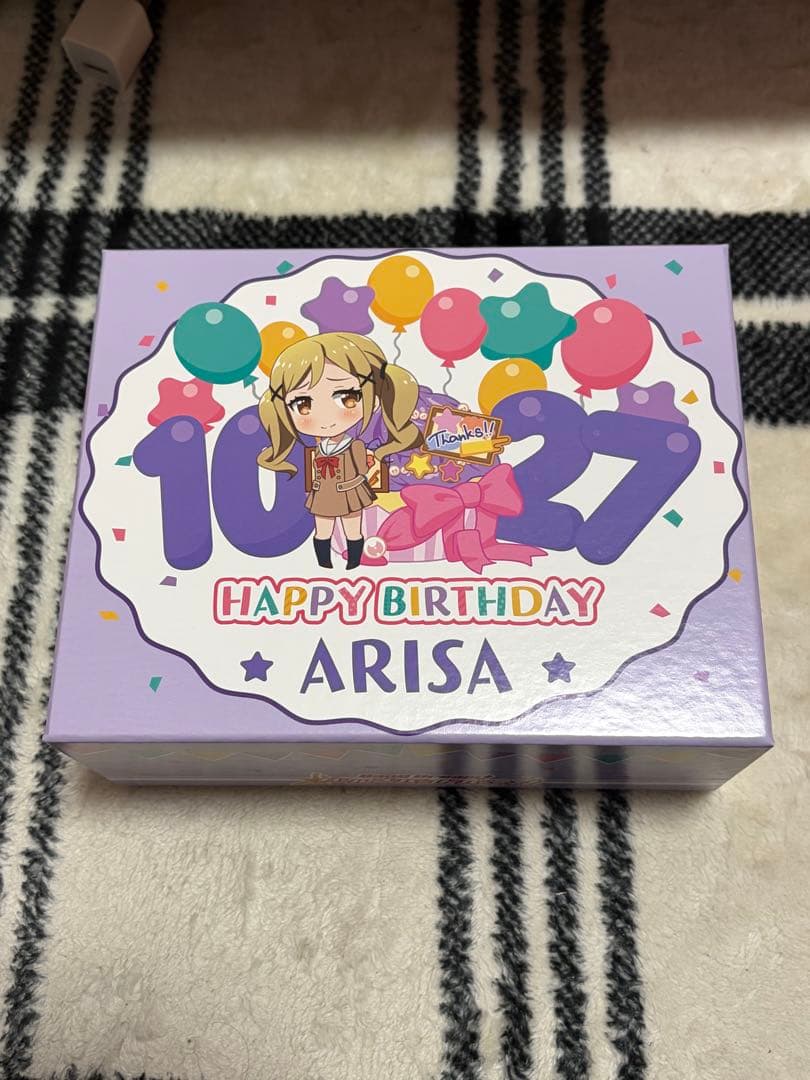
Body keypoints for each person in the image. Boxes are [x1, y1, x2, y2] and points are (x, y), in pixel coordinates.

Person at [258, 331, 421, 569]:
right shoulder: (318, 448)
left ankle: (353, 563)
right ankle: (324, 565)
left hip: (349, 492)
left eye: (347, 398)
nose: (325, 416)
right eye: (303, 404)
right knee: (322, 531)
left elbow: (364, 469)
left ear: (374, 399)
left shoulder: (355, 446)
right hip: (323, 494)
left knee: (352, 530)